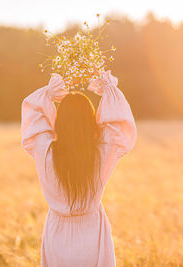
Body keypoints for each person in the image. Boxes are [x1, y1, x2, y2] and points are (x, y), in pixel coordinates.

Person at [21, 69, 137, 266]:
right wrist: (107, 87)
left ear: (59, 121)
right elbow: (118, 121)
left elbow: (34, 112)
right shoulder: (102, 152)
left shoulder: (45, 150)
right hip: (93, 234)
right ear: (91, 121)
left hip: (57, 235)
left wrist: (50, 92)